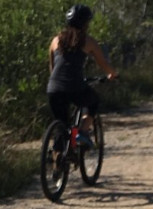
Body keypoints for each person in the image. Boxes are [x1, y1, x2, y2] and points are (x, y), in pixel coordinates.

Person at [47, 4, 119, 146]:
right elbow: (103, 64)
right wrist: (113, 74)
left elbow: (52, 66)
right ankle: (82, 132)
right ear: (85, 23)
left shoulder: (55, 40)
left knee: (61, 125)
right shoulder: (88, 41)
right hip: (74, 86)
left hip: (53, 87)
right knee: (93, 101)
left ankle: (57, 156)